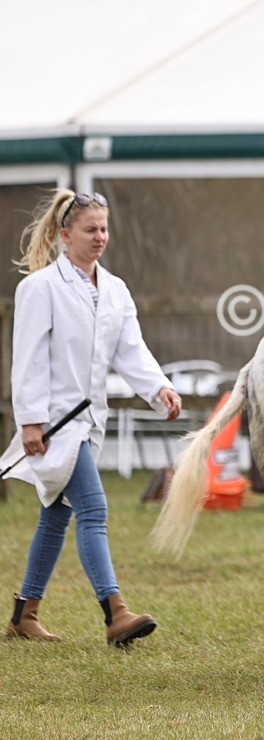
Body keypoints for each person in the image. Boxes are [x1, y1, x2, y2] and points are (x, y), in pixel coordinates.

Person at [3, 189, 182, 646]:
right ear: (65, 235)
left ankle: (25, 615)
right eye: (90, 229)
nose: (100, 236)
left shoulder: (116, 289)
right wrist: (30, 421)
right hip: (54, 423)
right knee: (94, 509)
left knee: (55, 516)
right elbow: (27, 358)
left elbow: (130, 351)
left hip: (89, 422)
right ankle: (115, 613)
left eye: (104, 228)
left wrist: (159, 389)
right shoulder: (39, 288)